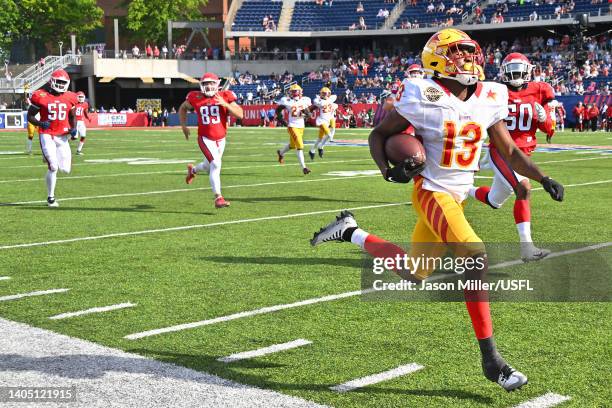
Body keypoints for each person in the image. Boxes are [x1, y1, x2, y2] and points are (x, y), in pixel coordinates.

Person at [311, 29, 564, 391]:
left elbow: (508, 150)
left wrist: (542, 177)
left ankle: (350, 230)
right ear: (438, 59)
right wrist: (388, 171)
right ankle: (492, 361)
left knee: (415, 273)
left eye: (469, 53)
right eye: (458, 53)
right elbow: (378, 135)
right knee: (476, 256)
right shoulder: (423, 93)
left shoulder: (490, 95)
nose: (468, 60)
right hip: (432, 192)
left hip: (456, 197)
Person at [469, 52, 555, 262]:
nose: (515, 74)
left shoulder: (541, 89)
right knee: (524, 188)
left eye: (519, 70)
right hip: (502, 150)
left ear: (528, 71)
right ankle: (527, 248)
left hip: (524, 154)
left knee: (494, 200)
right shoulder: (495, 91)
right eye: (511, 70)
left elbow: (549, 129)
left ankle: (463, 190)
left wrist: (543, 118)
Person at [180, 72, 244, 208]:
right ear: (201, 85)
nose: (208, 86)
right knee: (215, 164)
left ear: (217, 84)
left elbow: (241, 115)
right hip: (205, 138)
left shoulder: (225, 96)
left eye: (211, 83)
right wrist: (183, 126)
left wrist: (225, 105)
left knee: (208, 166)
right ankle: (218, 197)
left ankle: (193, 170)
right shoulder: (195, 96)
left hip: (221, 139)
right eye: (205, 83)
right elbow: (183, 108)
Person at [27, 69, 79, 207]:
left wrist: (73, 129)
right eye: (59, 82)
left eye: (63, 82)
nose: (61, 85)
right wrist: (39, 123)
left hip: (62, 136)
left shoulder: (71, 97)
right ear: (52, 81)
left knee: (66, 170)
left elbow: (73, 116)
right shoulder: (41, 95)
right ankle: (51, 197)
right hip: (47, 133)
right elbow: (30, 116)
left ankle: (48, 157)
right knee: (53, 167)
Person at [275, 84, 312, 174]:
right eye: (293, 91)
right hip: (292, 125)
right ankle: (304, 168)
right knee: (300, 145)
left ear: (300, 91)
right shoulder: (287, 101)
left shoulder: (304, 100)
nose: (294, 93)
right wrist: (280, 118)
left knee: (292, 145)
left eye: (296, 91)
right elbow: (279, 109)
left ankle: (280, 153)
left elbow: (308, 113)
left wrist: (307, 115)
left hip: (301, 126)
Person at [309, 87, 338, 160]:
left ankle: (312, 150)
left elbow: (335, 97)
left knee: (319, 138)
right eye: (323, 93)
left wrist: (328, 100)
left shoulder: (331, 100)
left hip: (327, 121)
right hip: (321, 121)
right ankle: (321, 147)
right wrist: (327, 100)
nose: (325, 95)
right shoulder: (319, 101)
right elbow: (318, 103)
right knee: (329, 134)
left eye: (326, 93)